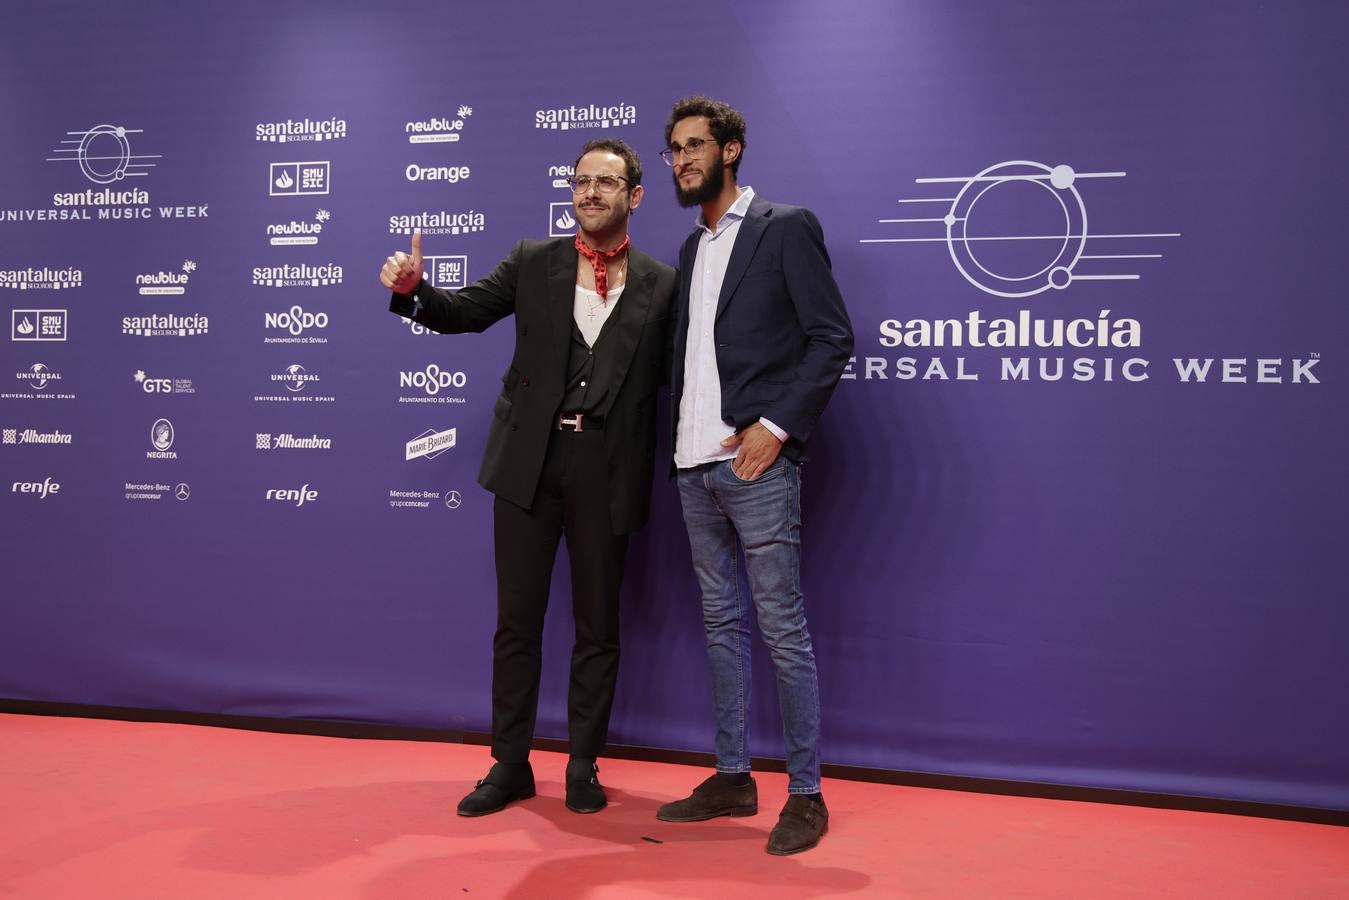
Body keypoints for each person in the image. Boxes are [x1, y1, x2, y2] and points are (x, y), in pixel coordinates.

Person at [379, 138, 677, 817]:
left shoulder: (663, 282)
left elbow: (678, 376)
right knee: (517, 622)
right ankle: (509, 764)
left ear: (634, 195)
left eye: (606, 182)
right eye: (581, 181)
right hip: (528, 466)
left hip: (609, 468)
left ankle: (582, 764)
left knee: (598, 626)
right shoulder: (531, 261)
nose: (590, 192)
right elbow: (461, 315)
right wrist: (413, 292)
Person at [654, 96, 854, 855]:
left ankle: (805, 793)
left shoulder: (782, 227)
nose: (682, 159)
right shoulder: (689, 249)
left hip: (753, 463)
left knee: (780, 627)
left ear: (731, 150)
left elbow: (830, 338)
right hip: (690, 466)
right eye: (673, 148)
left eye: (695, 145)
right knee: (719, 624)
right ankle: (733, 776)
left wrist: (775, 428)